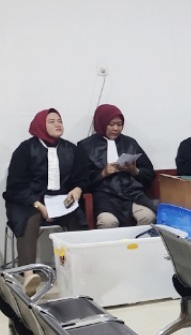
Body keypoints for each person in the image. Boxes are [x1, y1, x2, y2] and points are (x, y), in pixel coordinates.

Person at [3, 108, 88, 294]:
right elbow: (16, 186)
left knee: (77, 216)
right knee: (29, 219)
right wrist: (39, 205)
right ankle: (29, 276)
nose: (58, 124)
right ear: (41, 125)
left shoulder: (71, 149)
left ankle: (81, 269)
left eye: (60, 120)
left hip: (59, 201)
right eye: (51, 121)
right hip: (27, 200)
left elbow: (82, 177)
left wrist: (77, 189)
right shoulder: (26, 149)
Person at [78, 104, 156, 228]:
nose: (116, 128)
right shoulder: (86, 146)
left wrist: (134, 170)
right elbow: (81, 179)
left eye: (119, 124)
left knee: (148, 216)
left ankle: (136, 241)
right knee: (107, 221)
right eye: (111, 124)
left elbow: (149, 172)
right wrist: (103, 173)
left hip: (132, 193)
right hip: (104, 195)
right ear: (101, 123)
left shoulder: (130, 143)